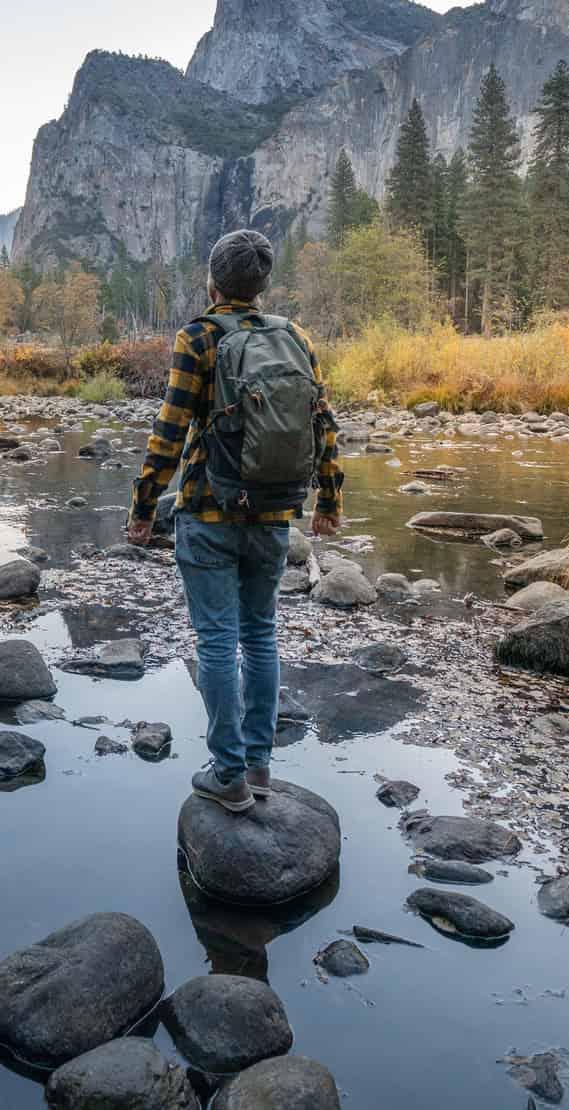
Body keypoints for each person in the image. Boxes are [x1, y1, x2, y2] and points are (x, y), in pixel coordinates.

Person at [126, 229, 342, 814]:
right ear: (262, 285)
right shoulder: (294, 336)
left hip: (209, 510)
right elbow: (322, 422)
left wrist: (144, 507)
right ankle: (260, 765)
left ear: (213, 282)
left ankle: (228, 774)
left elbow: (169, 432)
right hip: (274, 512)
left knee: (218, 641)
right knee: (261, 633)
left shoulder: (197, 337)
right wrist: (329, 502)